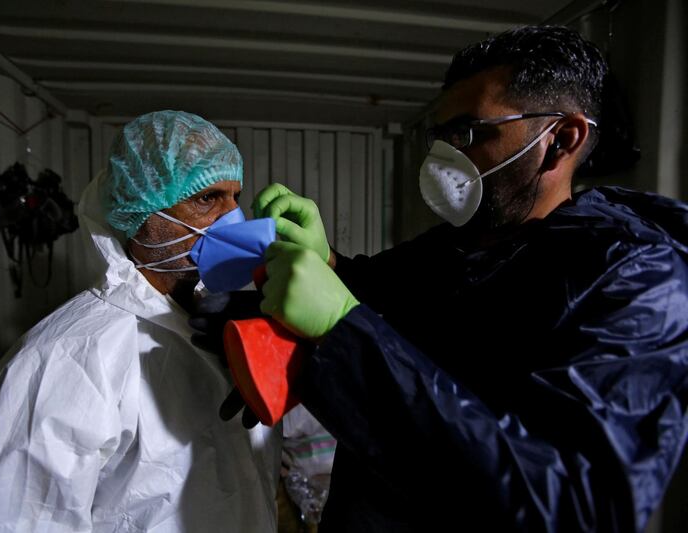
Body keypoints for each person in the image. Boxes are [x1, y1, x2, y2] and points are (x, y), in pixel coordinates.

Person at [225, 26, 688, 532]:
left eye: (469, 133)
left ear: (560, 139)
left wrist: (341, 329)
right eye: (441, 135)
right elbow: (375, 292)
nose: (445, 156)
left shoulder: (634, 278)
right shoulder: (455, 246)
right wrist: (330, 265)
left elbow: (570, 509)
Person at [0, 110, 281, 532]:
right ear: (142, 211)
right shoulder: (68, 357)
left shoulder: (221, 329)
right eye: (207, 198)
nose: (234, 219)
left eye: (235, 197)